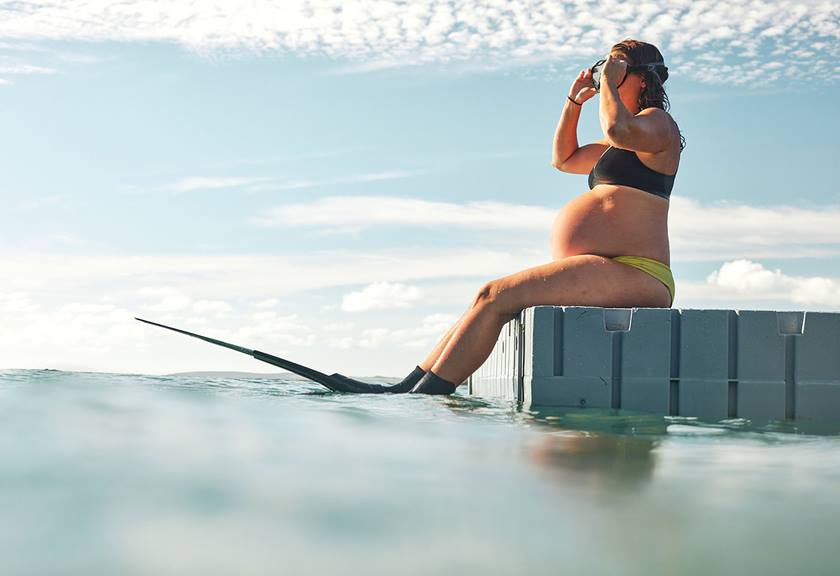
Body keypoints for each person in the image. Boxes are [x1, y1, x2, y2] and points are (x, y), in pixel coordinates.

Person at [357, 39, 686, 396]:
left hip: (638, 271)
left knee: (494, 295)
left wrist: (607, 81)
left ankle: (425, 397)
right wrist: (574, 102)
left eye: (615, 66)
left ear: (640, 77)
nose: (605, 72)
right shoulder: (613, 148)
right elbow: (563, 158)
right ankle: (407, 386)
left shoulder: (658, 124)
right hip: (608, 266)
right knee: (483, 298)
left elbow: (618, 129)